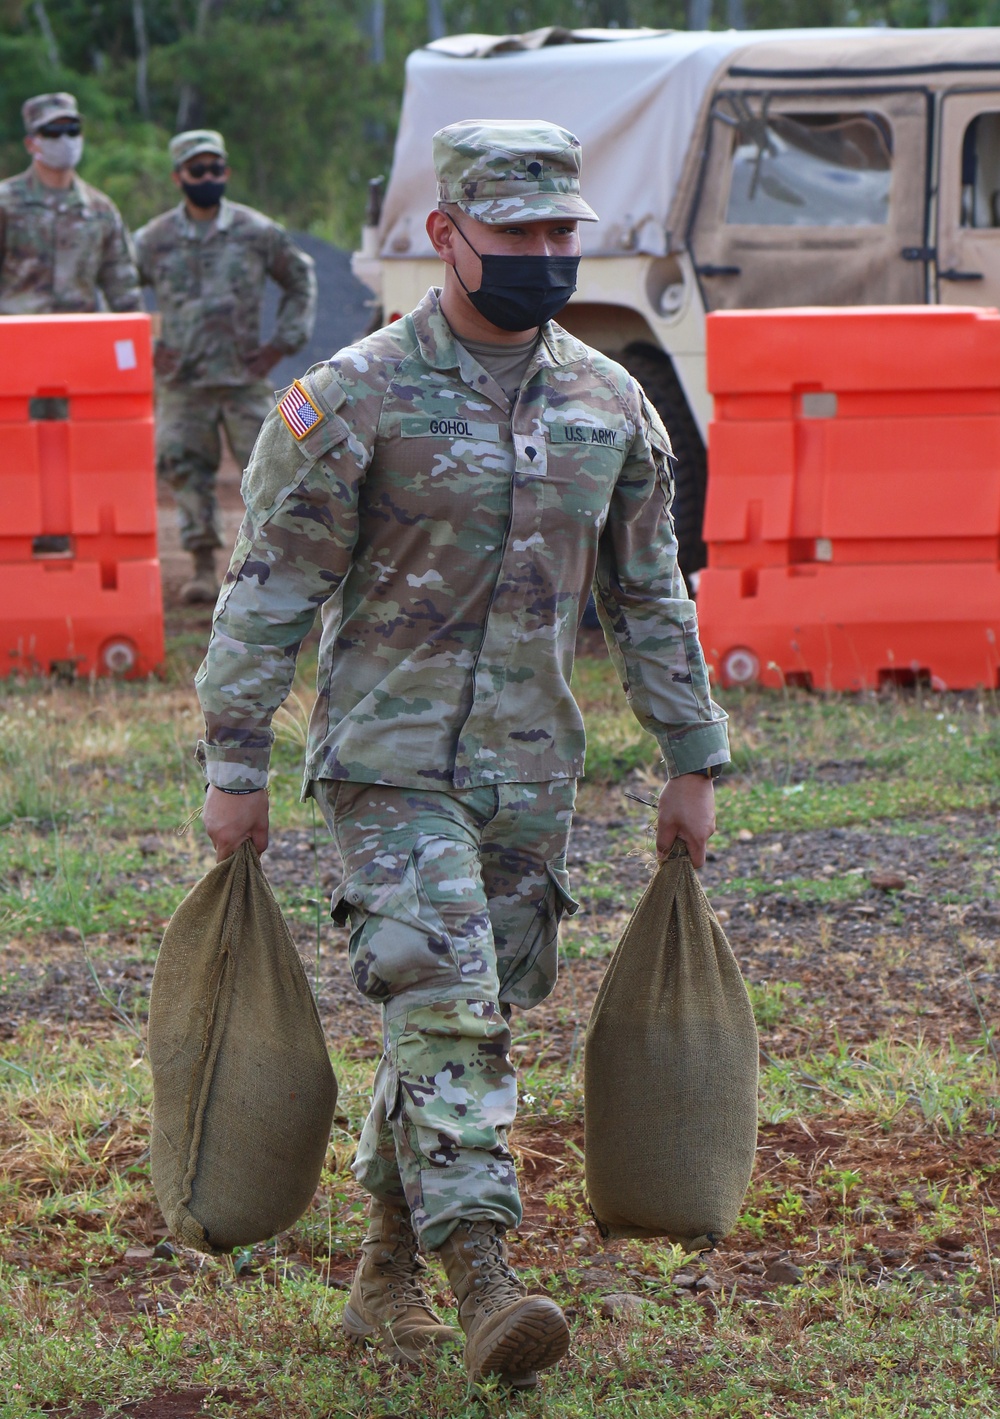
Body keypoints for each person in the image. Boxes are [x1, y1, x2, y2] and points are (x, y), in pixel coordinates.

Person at [195, 119, 730, 1387]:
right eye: (518, 232)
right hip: (385, 766)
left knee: (465, 1019)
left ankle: (385, 1266)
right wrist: (233, 765)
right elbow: (267, 593)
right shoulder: (357, 398)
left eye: (561, 233)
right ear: (446, 235)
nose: (545, 254)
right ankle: (484, 1271)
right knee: (447, 1002)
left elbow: (650, 599)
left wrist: (691, 756)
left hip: (531, 774)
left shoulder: (611, 402)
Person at [134, 129, 317, 604]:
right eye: (198, 170)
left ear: (227, 173)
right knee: (184, 471)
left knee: (274, 469)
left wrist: (281, 345)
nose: (209, 177)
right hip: (182, 383)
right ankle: (199, 570)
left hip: (244, 379)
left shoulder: (257, 232)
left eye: (217, 168)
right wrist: (146, 346)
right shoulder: (154, 239)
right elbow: (116, 286)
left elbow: (301, 279)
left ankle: (274, 570)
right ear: (179, 177)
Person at [0, 92, 141, 315]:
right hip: (16, 339)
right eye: (52, 132)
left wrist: (135, 341)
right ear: (31, 143)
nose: (64, 140)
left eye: (72, 131)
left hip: (80, 341)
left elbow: (123, 289)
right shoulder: (6, 203)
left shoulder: (100, 210)